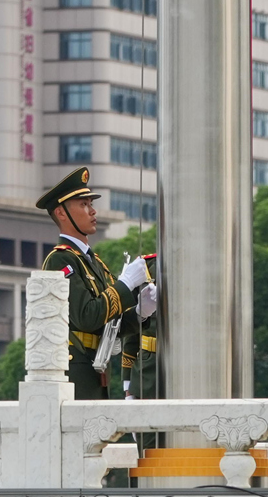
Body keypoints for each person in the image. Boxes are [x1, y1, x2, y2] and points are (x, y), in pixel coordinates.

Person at [37, 166, 157, 399]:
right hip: (75, 371)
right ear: (61, 213)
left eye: (91, 204)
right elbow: (87, 316)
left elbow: (111, 325)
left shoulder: (94, 263)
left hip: (97, 366)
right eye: (83, 204)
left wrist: (141, 312)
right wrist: (124, 283)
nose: (92, 211)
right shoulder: (61, 259)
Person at [122, 254, 159, 453]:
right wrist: (128, 386)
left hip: (193, 369)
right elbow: (131, 334)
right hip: (148, 370)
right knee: (149, 450)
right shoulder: (146, 266)